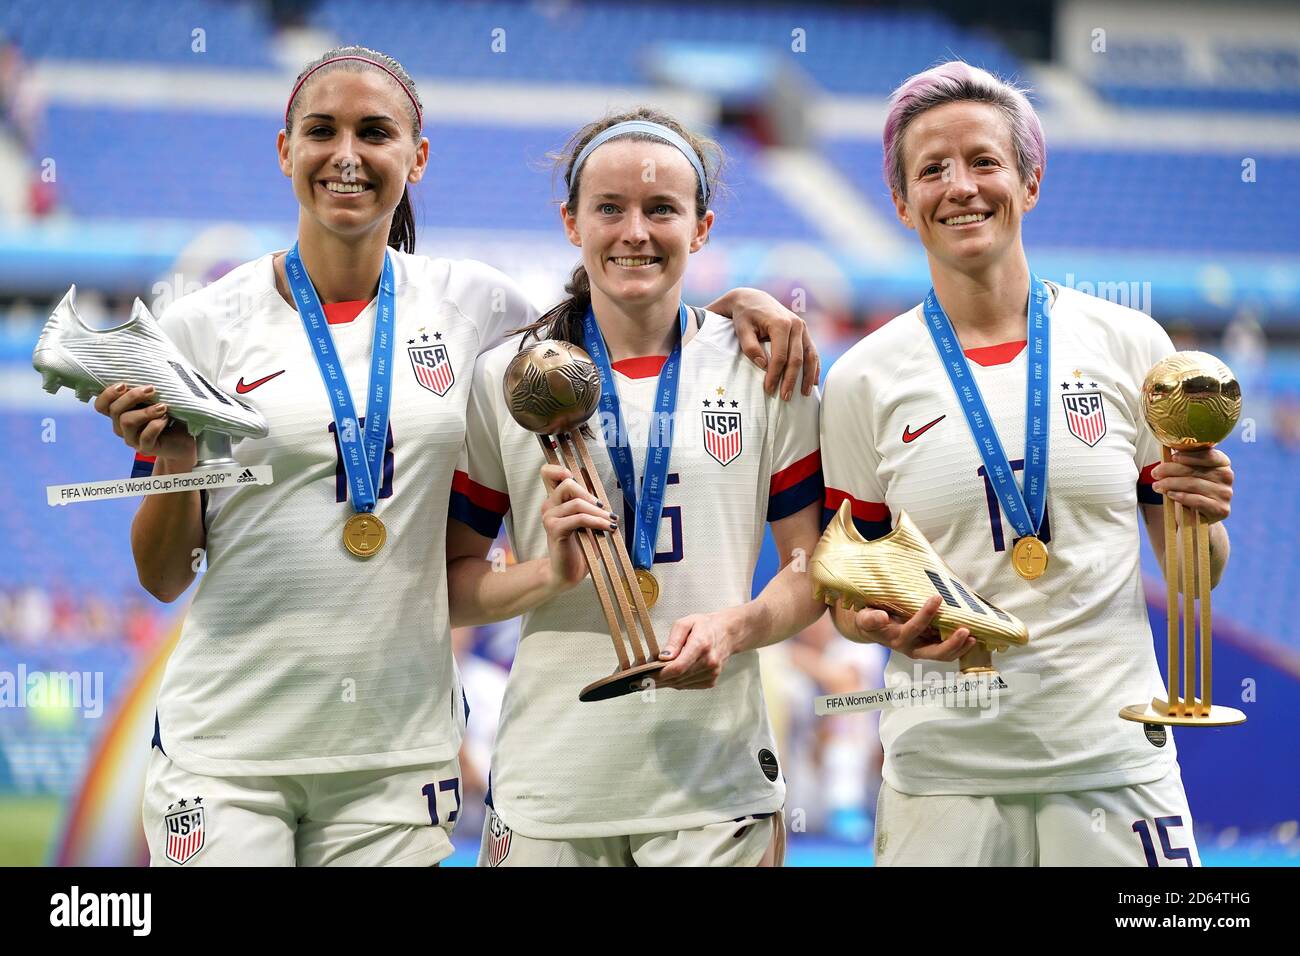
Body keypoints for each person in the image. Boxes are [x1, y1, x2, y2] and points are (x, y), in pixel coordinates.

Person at [89, 47, 816, 867]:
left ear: (418, 155)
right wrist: (182, 454)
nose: (348, 156)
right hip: (226, 743)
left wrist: (733, 310)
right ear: (286, 149)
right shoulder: (198, 326)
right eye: (321, 132)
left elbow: (623, 308)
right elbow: (162, 576)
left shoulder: (477, 306)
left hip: (397, 753)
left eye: (376, 132)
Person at [820, 61, 1235, 867]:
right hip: (944, 776)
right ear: (903, 204)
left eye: (984, 161)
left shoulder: (1132, 347)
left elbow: (1192, 577)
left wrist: (1202, 518)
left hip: (1116, 763)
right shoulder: (862, 379)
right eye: (931, 169)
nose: (961, 186)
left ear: (1030, 181)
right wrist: (872, 623)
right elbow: (848, 594)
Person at [446, 108, 829, 867]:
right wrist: (544, 574)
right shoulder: (505, 380)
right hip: (551, 786)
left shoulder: (765, 370)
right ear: (570, 221)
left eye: (662, 209)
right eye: (609, 208)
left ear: (703, 226)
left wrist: (738, 627)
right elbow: (452, 587)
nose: (635, 232)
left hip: (716, 790)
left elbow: (812, 570)